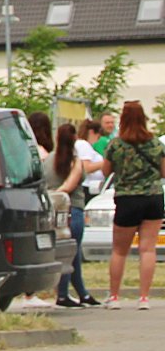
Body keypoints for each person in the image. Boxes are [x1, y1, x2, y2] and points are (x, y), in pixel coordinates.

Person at [100, 101, 165, 310]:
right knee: (147, 249)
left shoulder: (116, 145)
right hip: (153, 198)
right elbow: (164, 172)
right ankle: (144, 298)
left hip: (127, 199)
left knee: (120, 251)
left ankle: (114, 296)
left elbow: (105, 171)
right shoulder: (155, 144)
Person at [46, 122, 98, 307]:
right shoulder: (75, 161)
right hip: (72, 209)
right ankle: (63, 294)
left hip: (53, 211)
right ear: (75, 138)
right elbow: (70, 185)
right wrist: (59, 195)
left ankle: (82, 293)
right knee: (71, 253)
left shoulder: (48, 160)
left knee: (68, 253)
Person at [79, 120, 107, 197]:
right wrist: (105, 163)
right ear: (91, 132)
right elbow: (87, 168)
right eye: (98, 137)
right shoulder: (84, 145)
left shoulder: (86, 146)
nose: (97, 140)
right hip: (89, 187)